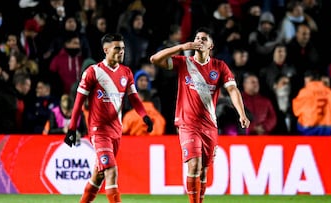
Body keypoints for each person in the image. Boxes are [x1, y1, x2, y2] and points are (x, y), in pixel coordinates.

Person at [150, 27, 250, 203]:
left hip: (209, 125)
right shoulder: (184, 63)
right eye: (197, 38)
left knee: (203, 170)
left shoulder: (219, 67)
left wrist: (241, 113)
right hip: (187, 124)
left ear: (210, 46)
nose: (199, 41)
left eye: (204, 39)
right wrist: (181, 47)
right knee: (194, 165)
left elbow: (233, 89)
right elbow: (155, 59)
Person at [64, 33, 153, 203]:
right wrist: (72, 129)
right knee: (111, 170)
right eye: (117, 48)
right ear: (106, 50)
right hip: (99, 131)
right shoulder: (93, 72)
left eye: (123, 49)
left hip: (116, 131)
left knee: (98, 175)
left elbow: (134, 98)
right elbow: (78, 103)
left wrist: (145, 116)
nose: (121, 52)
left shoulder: (126, 72)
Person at [292, 70, 331, 135]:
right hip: (327, 126)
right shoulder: (329, 91)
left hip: (309, 126)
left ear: (308, 79)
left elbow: (296, 111)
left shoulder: (305, 91)